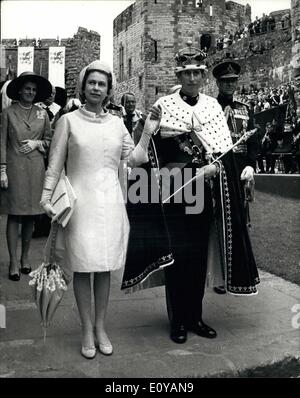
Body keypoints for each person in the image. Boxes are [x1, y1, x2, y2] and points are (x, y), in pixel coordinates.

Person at [123, 42, 259, 344]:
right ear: (179, 75)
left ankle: (195, 317)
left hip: (205, 198)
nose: (193, 79)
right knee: (178, 260)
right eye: (187, 74)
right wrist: (151, 133)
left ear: (203, 76)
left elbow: (225, 153)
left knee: (197, 260)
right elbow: (149, 159)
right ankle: (178, 321)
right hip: (177, 196)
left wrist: (218, 169)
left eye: (198, 73)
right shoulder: (164, 106)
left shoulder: (212, 107)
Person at [40, 60, 160, 359]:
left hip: (110, 203)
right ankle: (85, 330)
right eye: (91, 82)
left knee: (104, 267)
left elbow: (134, 159)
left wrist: (147, 132)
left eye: (102, 84)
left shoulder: (117, 123)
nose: (96, 88)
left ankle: (101, 327)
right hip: (79, 205)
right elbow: (54, 165)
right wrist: (45, 197)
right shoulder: (68, 122)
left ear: (108, 90)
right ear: (83, 86)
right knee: (82, 267)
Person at [0, 71, 52, 281]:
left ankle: (25, 259)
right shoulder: (8, 113)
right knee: (15, 215)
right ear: (19, 90)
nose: (30, 92)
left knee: (31, 215)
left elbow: (50, 141)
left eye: (33, 89)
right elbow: (1, 142)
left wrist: (37, 143)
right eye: (27, 88)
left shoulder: (43, 114)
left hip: (35, 169)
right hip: (14, 168)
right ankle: (13, 261)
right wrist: (2, 169)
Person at [213, 60, 259, 294]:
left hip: (240, 170)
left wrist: (251, 165)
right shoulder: (209, 107)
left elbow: (253, 140)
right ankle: (219, 275)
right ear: (218, 83)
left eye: (233, 81)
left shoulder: (244, 108)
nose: (230, 84)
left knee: (241, 221)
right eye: (225, 81)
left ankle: (240, 271)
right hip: (220, 169)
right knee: (219, 222)